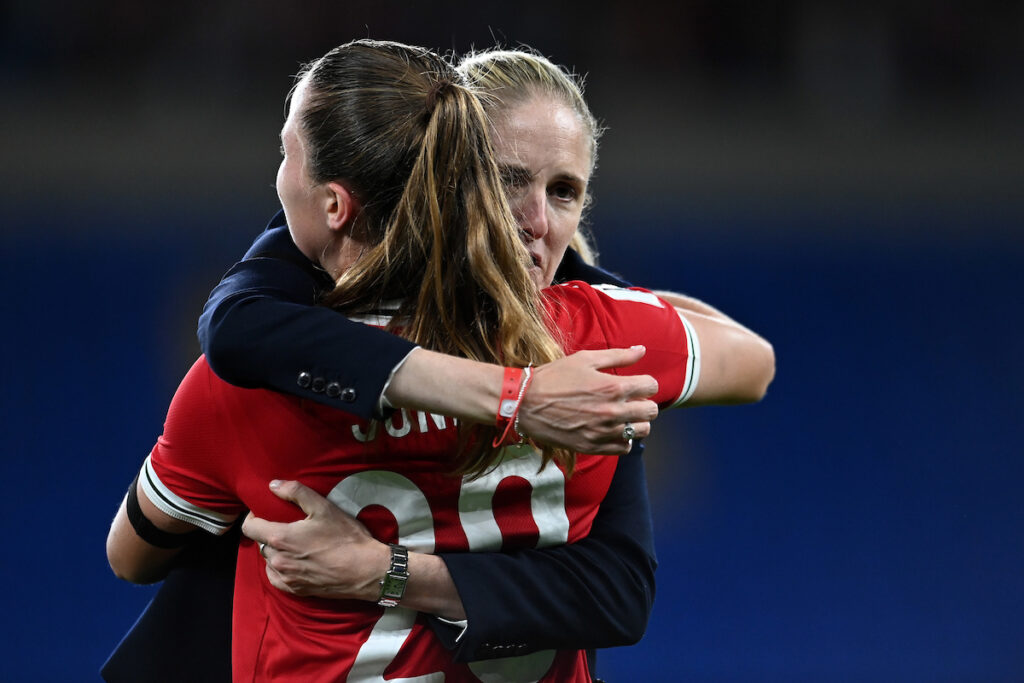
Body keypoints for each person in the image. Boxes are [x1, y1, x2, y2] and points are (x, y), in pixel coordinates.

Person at [106, 39, 772, 682]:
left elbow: (131, 555)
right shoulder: (599, 343)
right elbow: (753, 361)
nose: (537, 221)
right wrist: (552, 355)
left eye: (564, 191)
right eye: (508, 181)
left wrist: (386, 570)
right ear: (453, 185)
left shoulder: (253, 380)